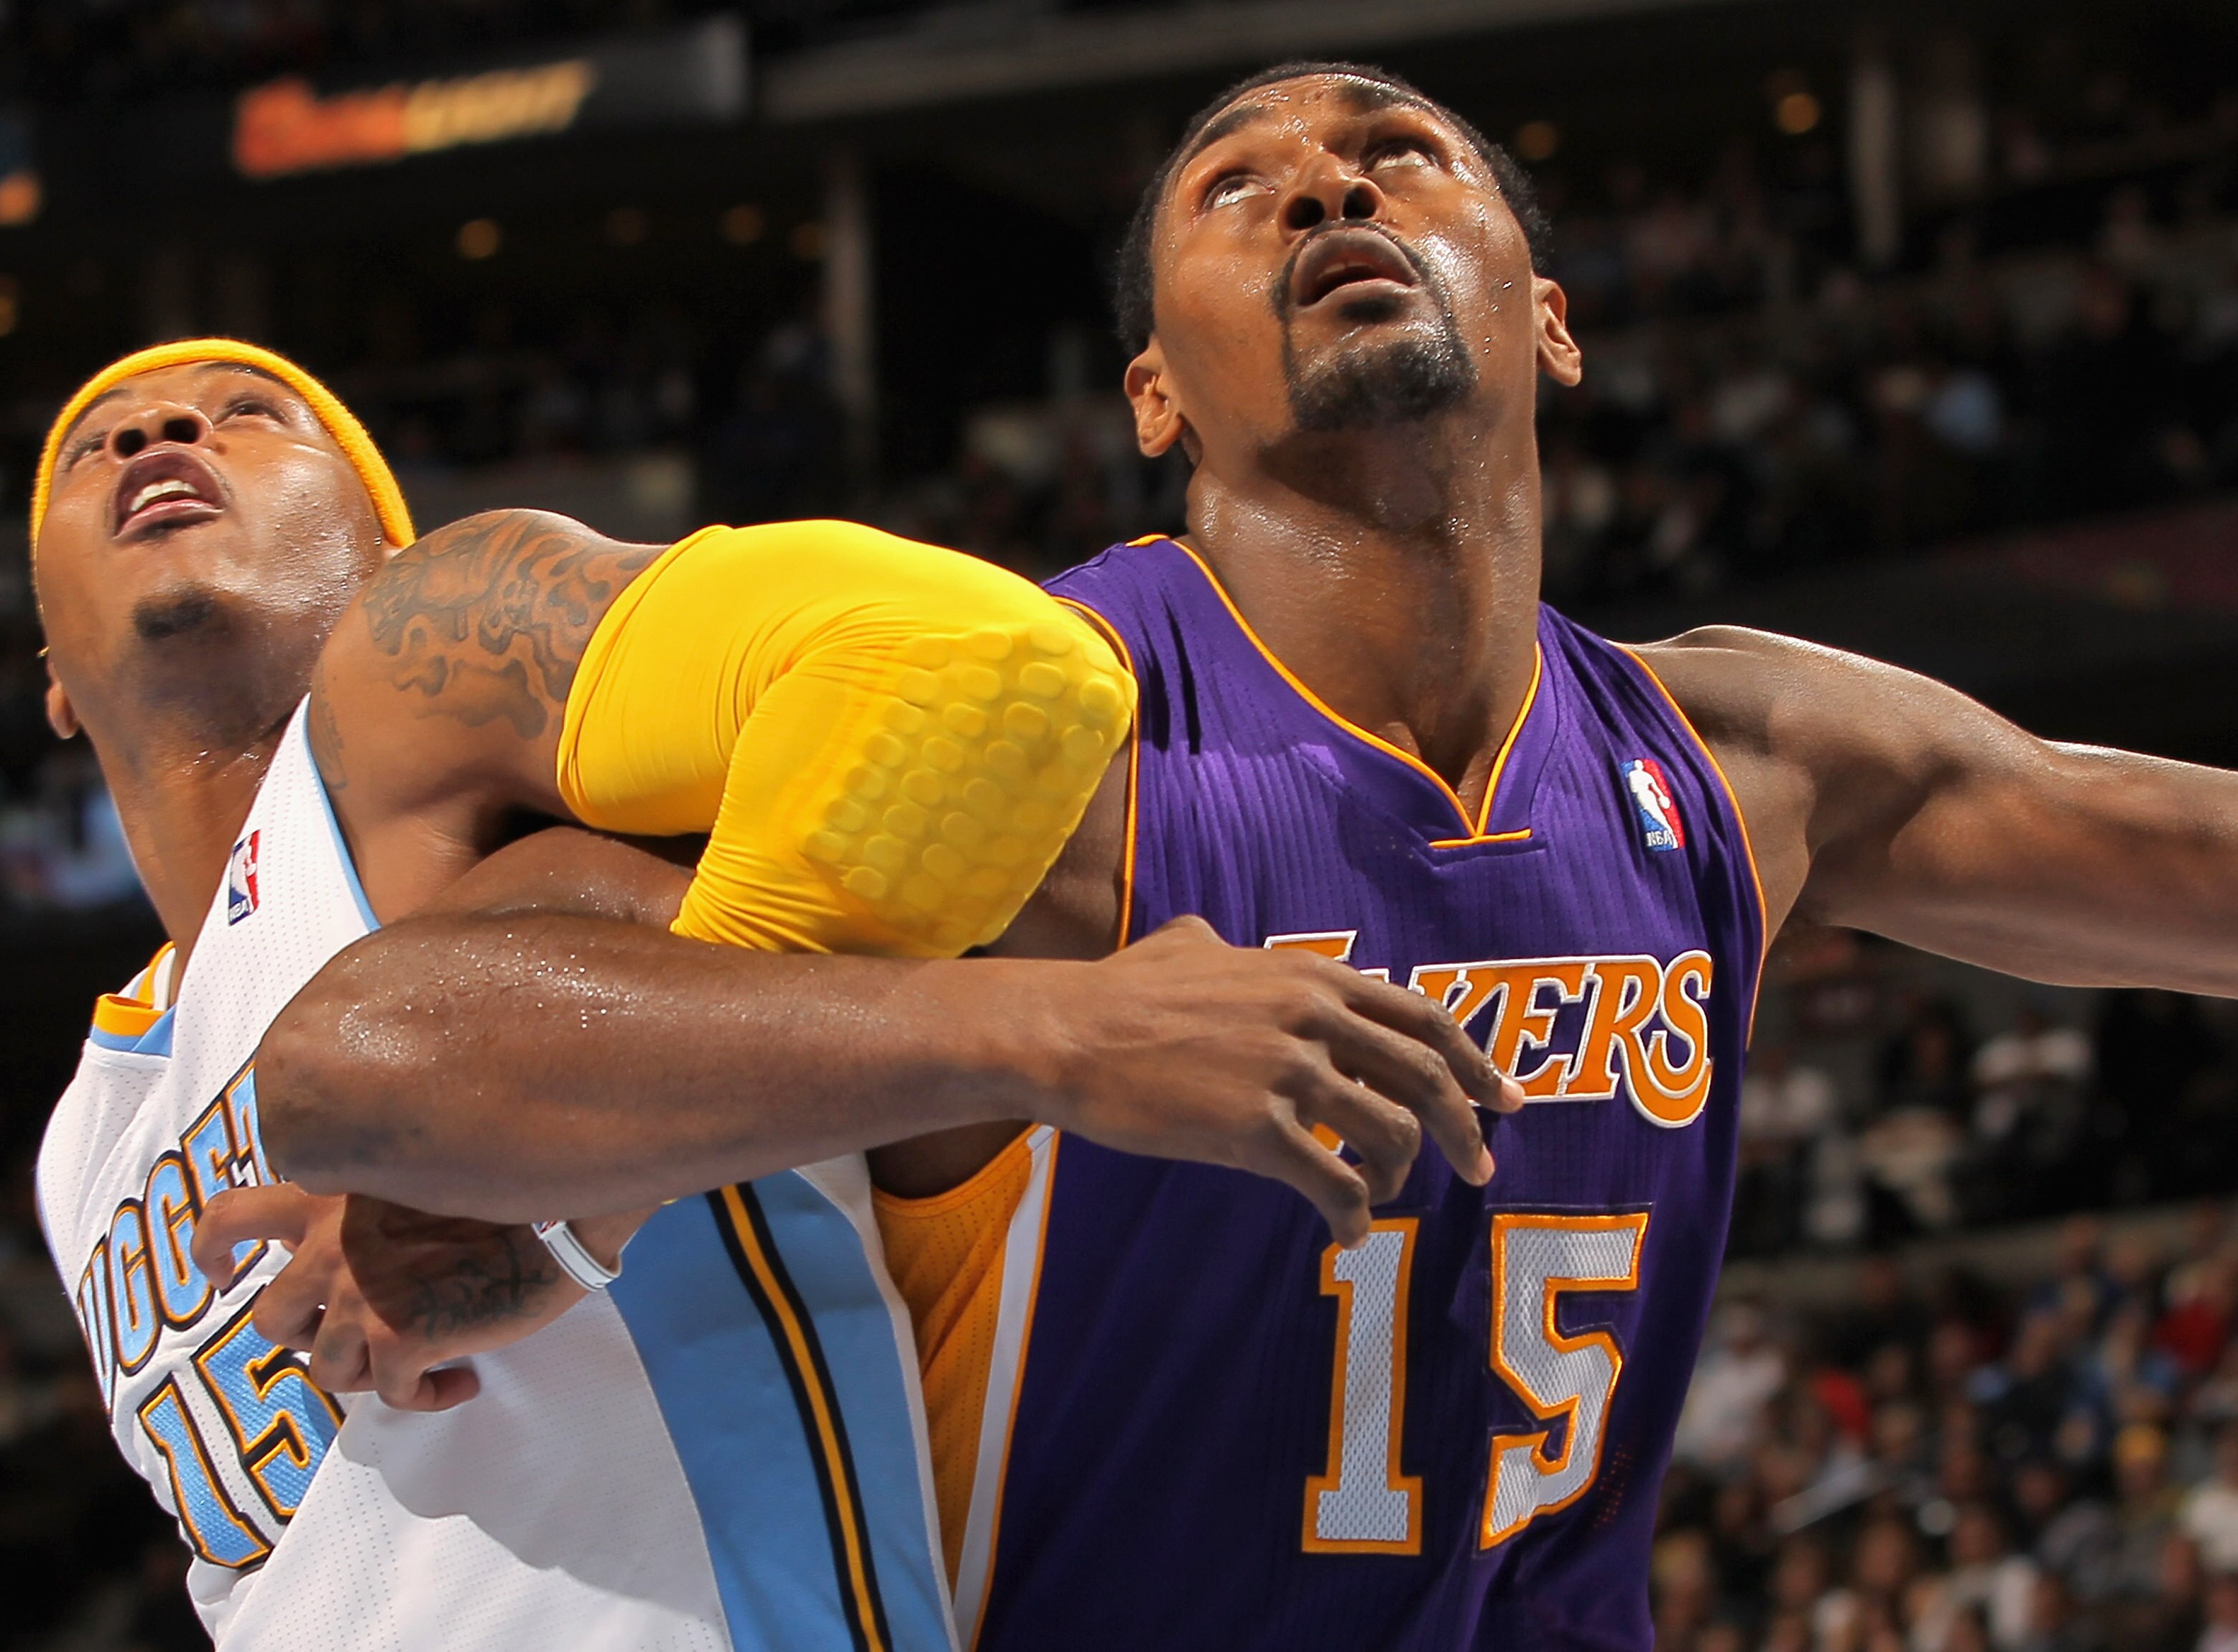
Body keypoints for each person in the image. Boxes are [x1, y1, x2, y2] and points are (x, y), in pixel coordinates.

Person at [249, 60, 2238, 1650]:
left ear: (1548, 322)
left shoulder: (1743, 760)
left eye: (1398, 154)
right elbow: (361, 1063)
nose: (1327, 188)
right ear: (1149, 395)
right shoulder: (1017, 735)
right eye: (1238, 185)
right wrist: (1043, 1033)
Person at [34, 338, 1494, 1648]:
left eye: (249, 414)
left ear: (382, 550)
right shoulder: (80, 1138)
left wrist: (548, 1204)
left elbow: (976, 671)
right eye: (101, 439)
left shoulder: (414, 692)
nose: (161, 434)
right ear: (49, 671)